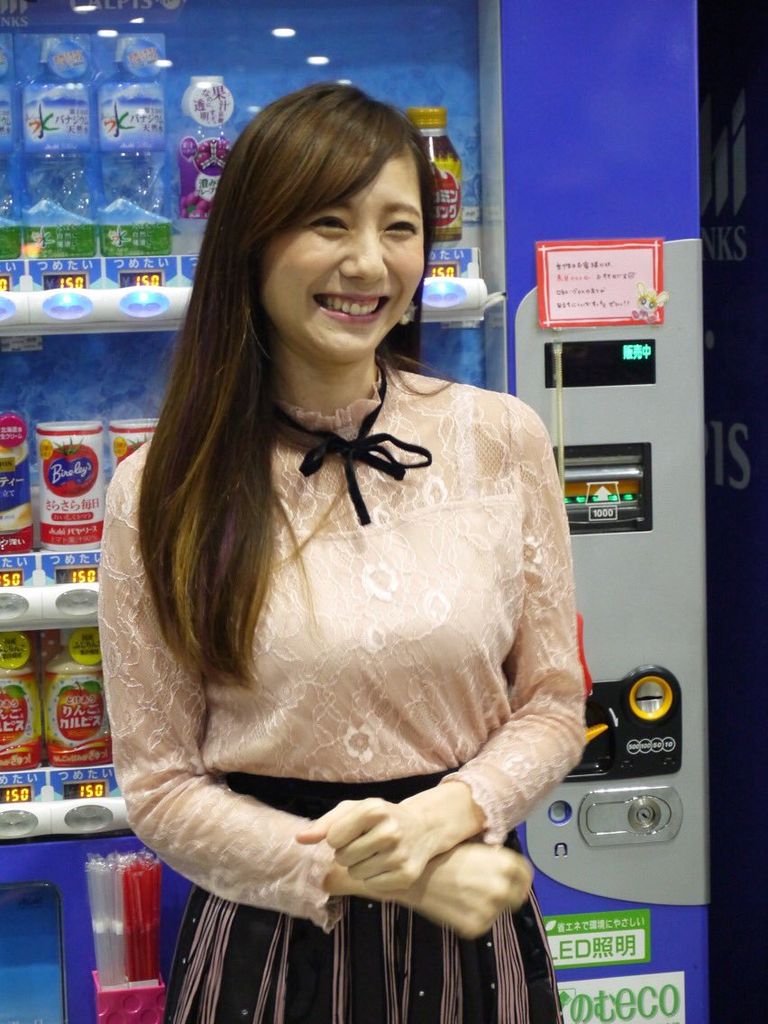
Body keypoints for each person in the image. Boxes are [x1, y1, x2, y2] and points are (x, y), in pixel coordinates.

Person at [98, 82, 586, 1024]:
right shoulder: (157, 488)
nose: (369, 263)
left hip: (470, 917)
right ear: (252, 241)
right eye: (329, 223)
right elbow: (159, 785)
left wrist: (449, 815)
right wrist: (382, 874)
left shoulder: (501, 438)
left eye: (399, 228)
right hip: (268, 938)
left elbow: (554, 702)